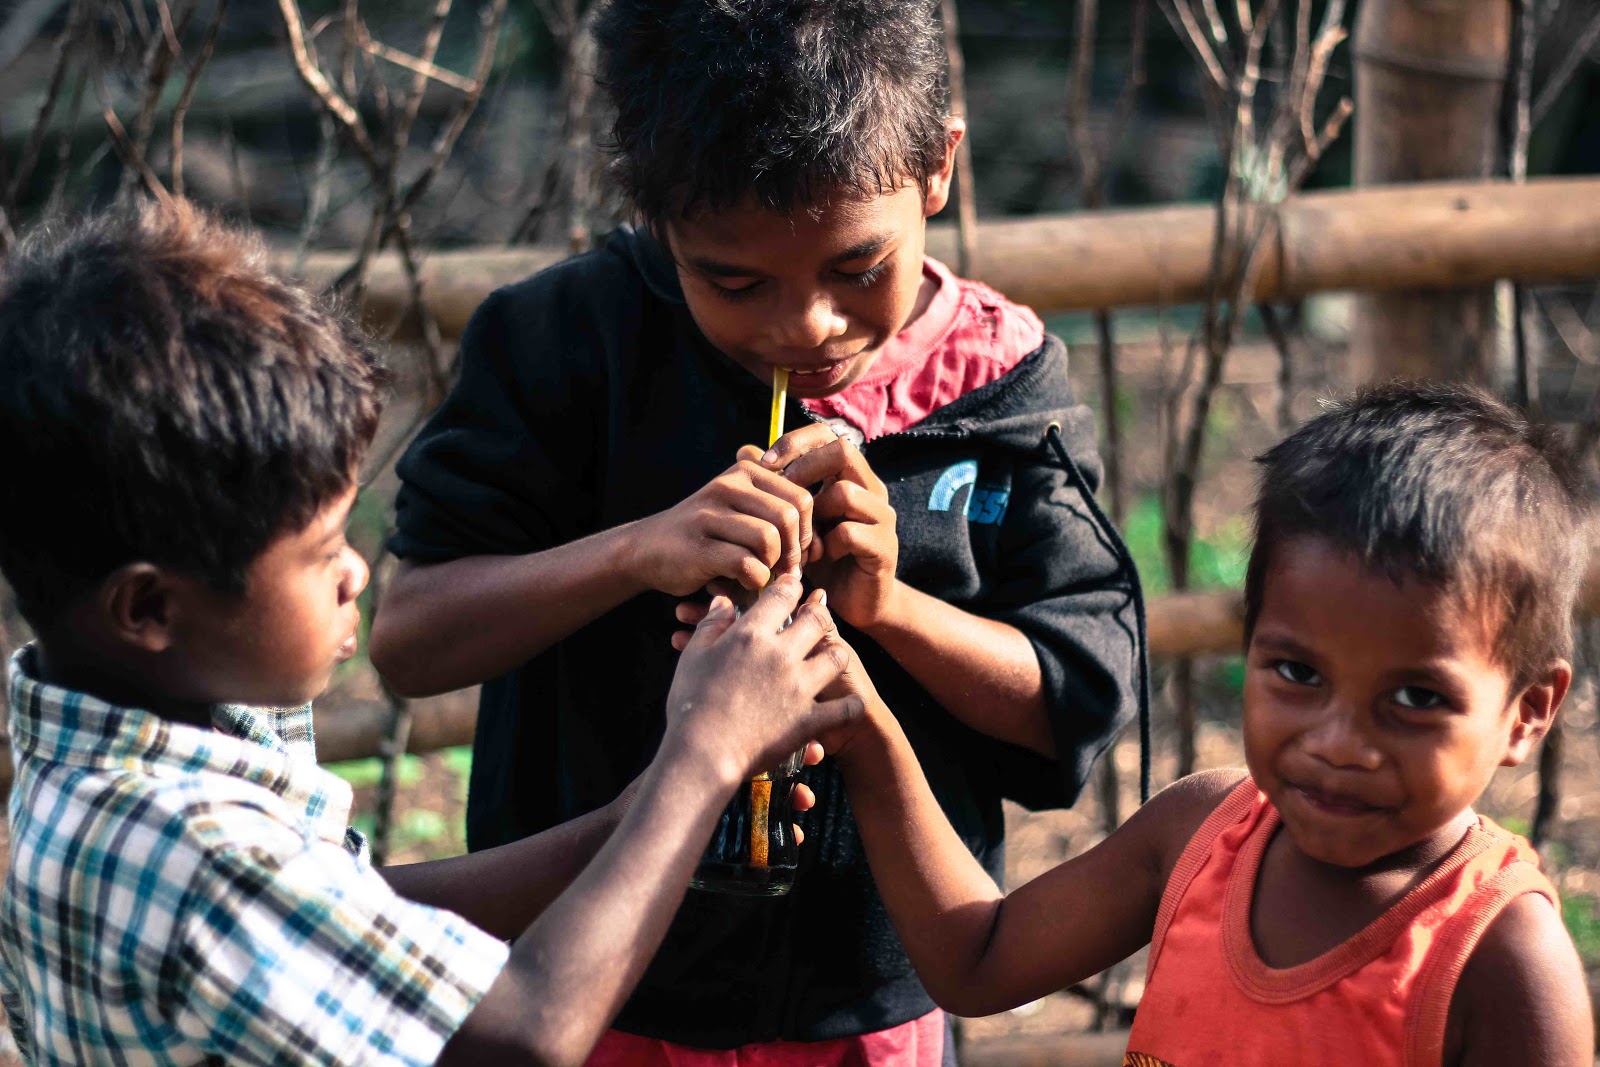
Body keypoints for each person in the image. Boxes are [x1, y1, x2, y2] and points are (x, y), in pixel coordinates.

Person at [368, 0, 1144, 1060]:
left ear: (938, 168)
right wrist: (634, 549)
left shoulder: (1001, 390)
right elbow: (413, 636)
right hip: (586, 992)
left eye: (856, 268)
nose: (802, 325)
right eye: (730, 280)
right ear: (648, 208)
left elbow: (1075, 703)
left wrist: (890, 603)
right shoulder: (564, 342)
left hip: (866, 1015)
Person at [0, 202, 861, 1067]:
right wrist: (702, 758)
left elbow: (352, 906)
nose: (357, 573)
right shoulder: (191, 851)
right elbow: (524, 1037)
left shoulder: (139, 734)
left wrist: (639, 813)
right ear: (148, 609)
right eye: (322, 550)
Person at [827, 382, 1594, 1066]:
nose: (1337, 742)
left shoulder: (1497, 957)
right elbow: (978, 956)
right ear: (1251, 644)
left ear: (1527, 713)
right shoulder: (1200, 833)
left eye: (1416, 698)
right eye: (1299, 673)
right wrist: (867, 738)